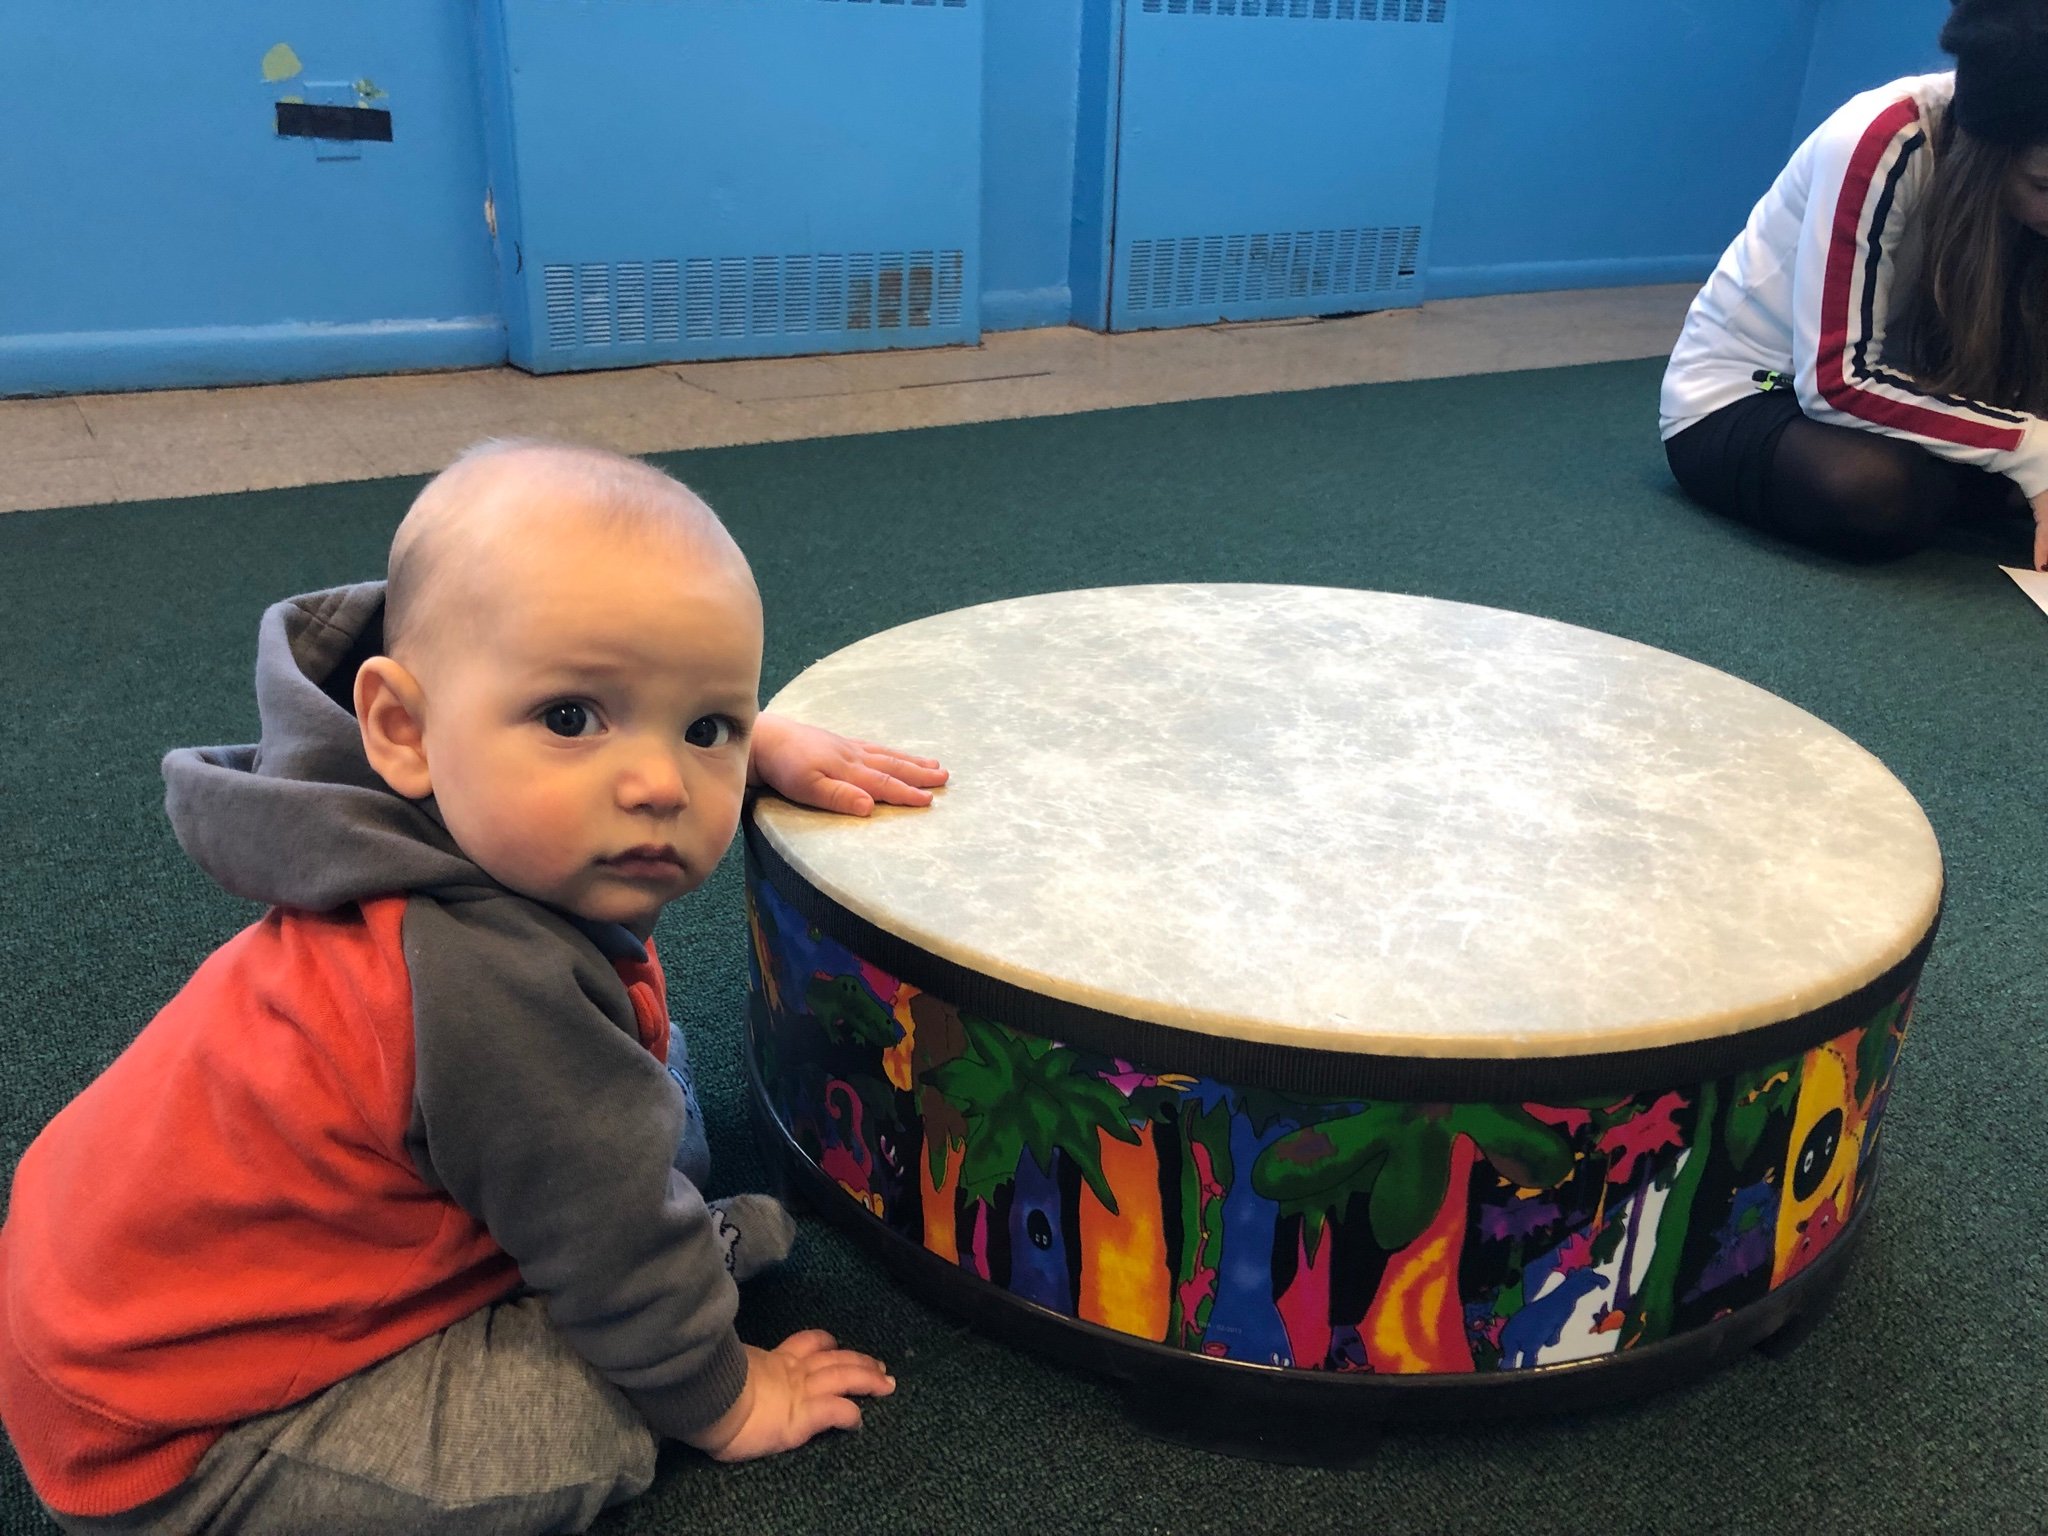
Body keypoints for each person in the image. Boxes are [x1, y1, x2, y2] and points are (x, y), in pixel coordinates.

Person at [0, 440, 950, 1533]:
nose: (656, 784)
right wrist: (730, 1400)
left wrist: (748, 740)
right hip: (177, 1433)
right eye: (571, 719)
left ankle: (621, 1242)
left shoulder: (391, 809)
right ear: (401, 728)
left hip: (103, 1282)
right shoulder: (481, 983)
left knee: (633, 1096)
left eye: (703, 728)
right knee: (587, 1413)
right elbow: (605, 1220)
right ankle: (648, 1294)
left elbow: (596, 721)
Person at [1661, 0, 2048, 568]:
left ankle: (1983, 483)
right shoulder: (1880, 140)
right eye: (2042, 183)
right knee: (1877, 491)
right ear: (1984, 158)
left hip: (1900, 391)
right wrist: (2032, 451)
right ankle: (1985, 486)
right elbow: (1834, 383)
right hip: (1755, 396)